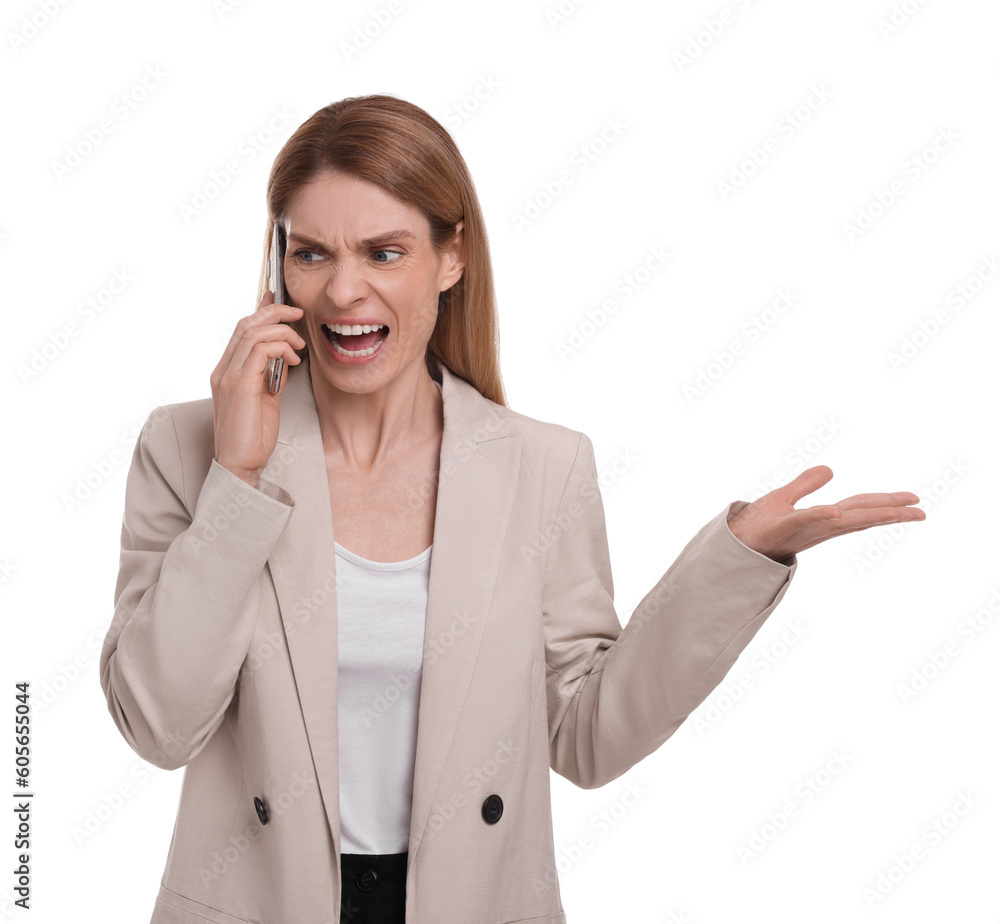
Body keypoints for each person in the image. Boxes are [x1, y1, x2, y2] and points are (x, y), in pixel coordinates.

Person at [99, 94, 925, 924]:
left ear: (451, 258)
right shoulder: (186, 448)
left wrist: (736, 560)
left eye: (384, 253)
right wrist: (238, 478)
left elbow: (587, 736)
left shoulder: (544, 467)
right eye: (311, 254)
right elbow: (158, 726)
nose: (342, 291)